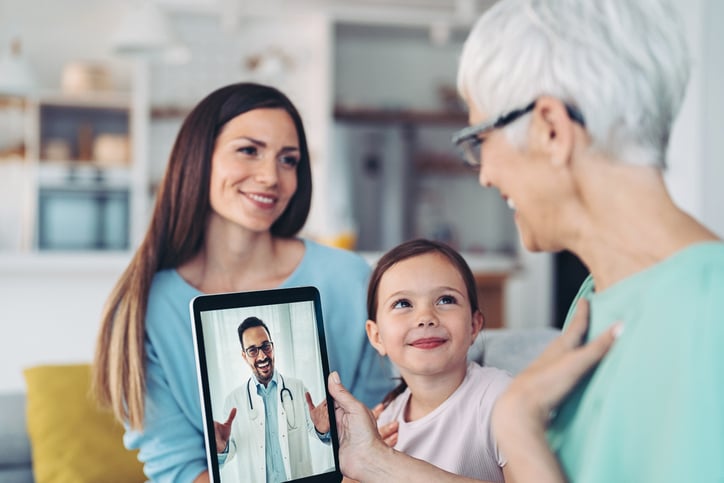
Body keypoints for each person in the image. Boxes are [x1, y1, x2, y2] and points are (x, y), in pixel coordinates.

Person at [329, 0, 724, 482]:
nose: (486, 176)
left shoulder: (708, 312)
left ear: (552, 130)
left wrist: (516, 423)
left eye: (481, 141)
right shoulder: (600, 295)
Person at [92, 82, 393, 483]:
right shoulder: (146, 307)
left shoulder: (350, 278)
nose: (271, 176)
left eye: (288, 160)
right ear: (199, 158)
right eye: (248, 150)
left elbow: (388, 418)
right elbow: (176, 467)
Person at [366, 239, 511, 481]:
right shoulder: (387, 423)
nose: (425, 318)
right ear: (377, 336)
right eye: (403, 303)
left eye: (446, 300)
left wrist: (385, 464)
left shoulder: (500, 399)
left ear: (474, 325)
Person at [214, 316, 330, 482]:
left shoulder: (297, 388)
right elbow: (230, 450)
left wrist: (321, 429)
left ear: (273, 347)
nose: (262, 356)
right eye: (253, 350)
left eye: (266, 347)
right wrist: (222, 448)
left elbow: (315, 429)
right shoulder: (233, 401)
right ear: (244, 356)